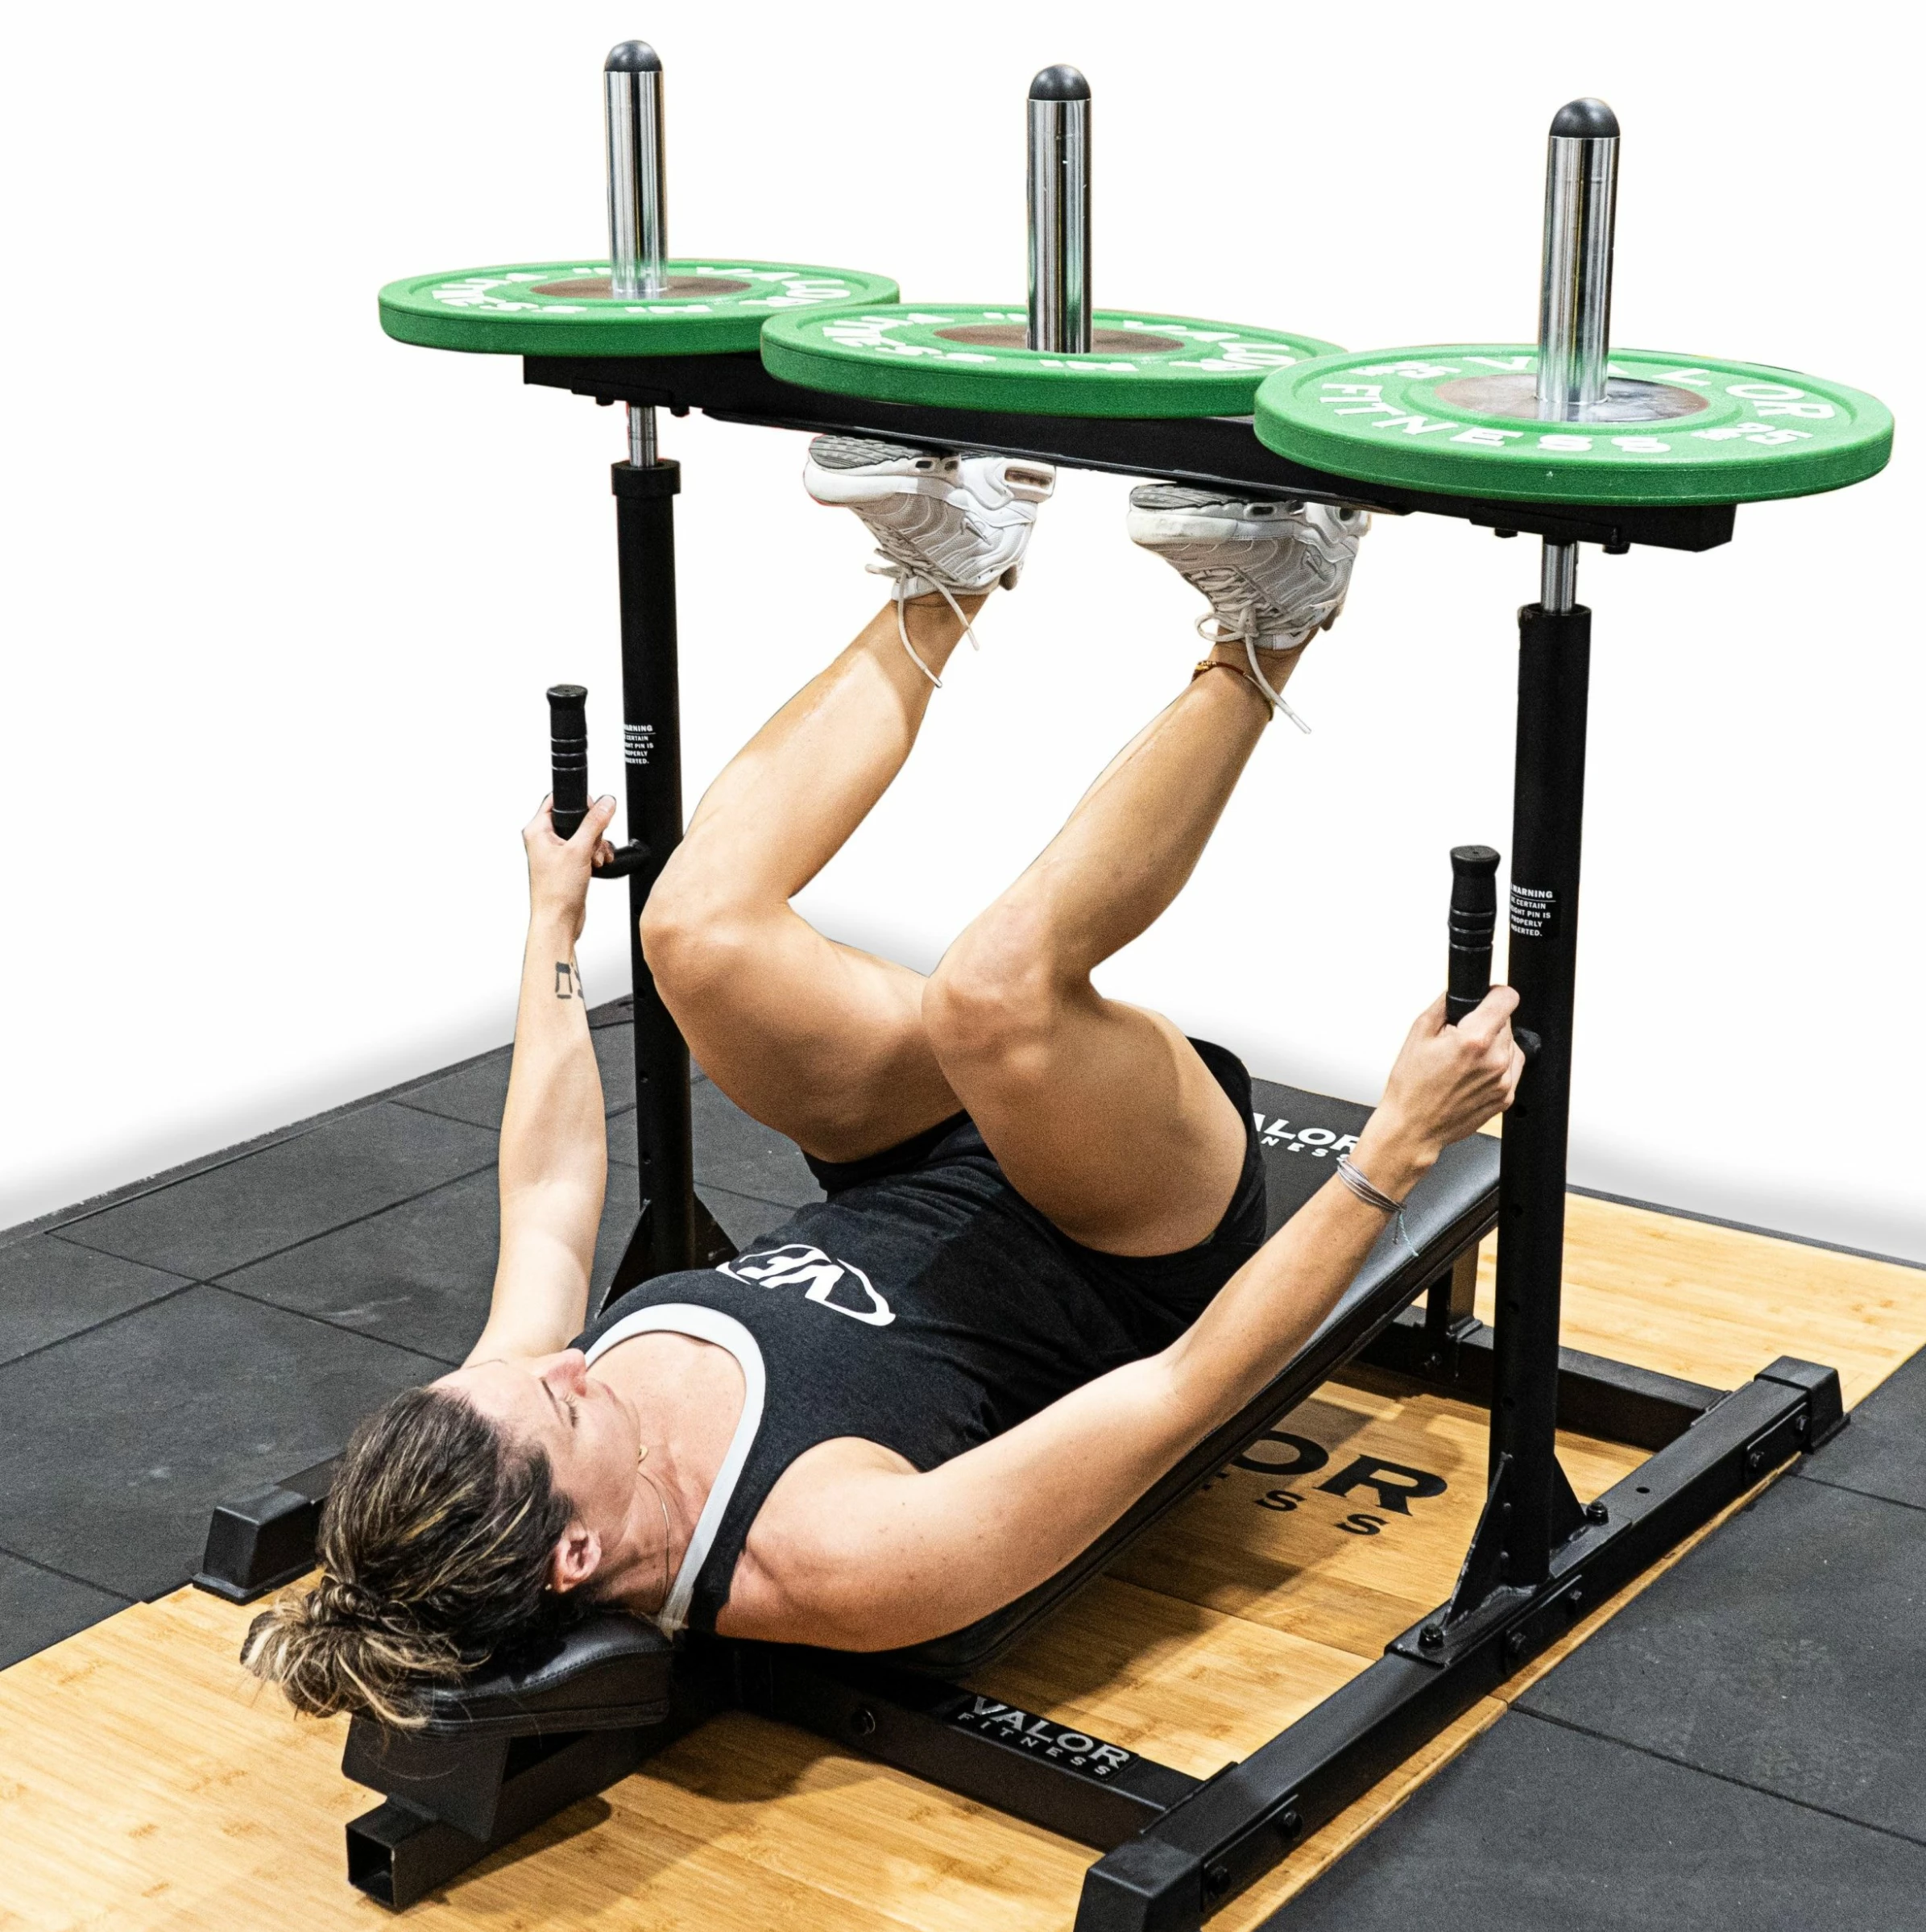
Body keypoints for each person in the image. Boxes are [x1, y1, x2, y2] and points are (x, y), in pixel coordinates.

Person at [242, 442, 1522, 1726]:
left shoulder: (509, 1433)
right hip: (1129, 1235)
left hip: (909, 1154)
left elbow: (549, 1191)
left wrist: (553, 921)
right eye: (564, 1408)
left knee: (691, 930)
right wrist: (1396, 1150)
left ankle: (951, 568)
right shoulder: (836, 1555)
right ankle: (1277, 619)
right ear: (576, 1556)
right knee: (993, 993)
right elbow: (1180, 1393)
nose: (565, 1365)